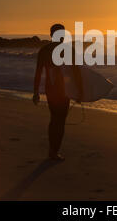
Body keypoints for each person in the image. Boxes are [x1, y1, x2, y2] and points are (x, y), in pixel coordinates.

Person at [32, 24, 83, 161]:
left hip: (50, 90)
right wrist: (79, 91)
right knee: (60, 121)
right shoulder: (68, 50)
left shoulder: (44, 50)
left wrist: (36, 92)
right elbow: (75, 73)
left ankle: (52, 150)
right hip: (63, 91)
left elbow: (38, 73)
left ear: (51, 35)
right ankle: (54, 152)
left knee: (54, 119)